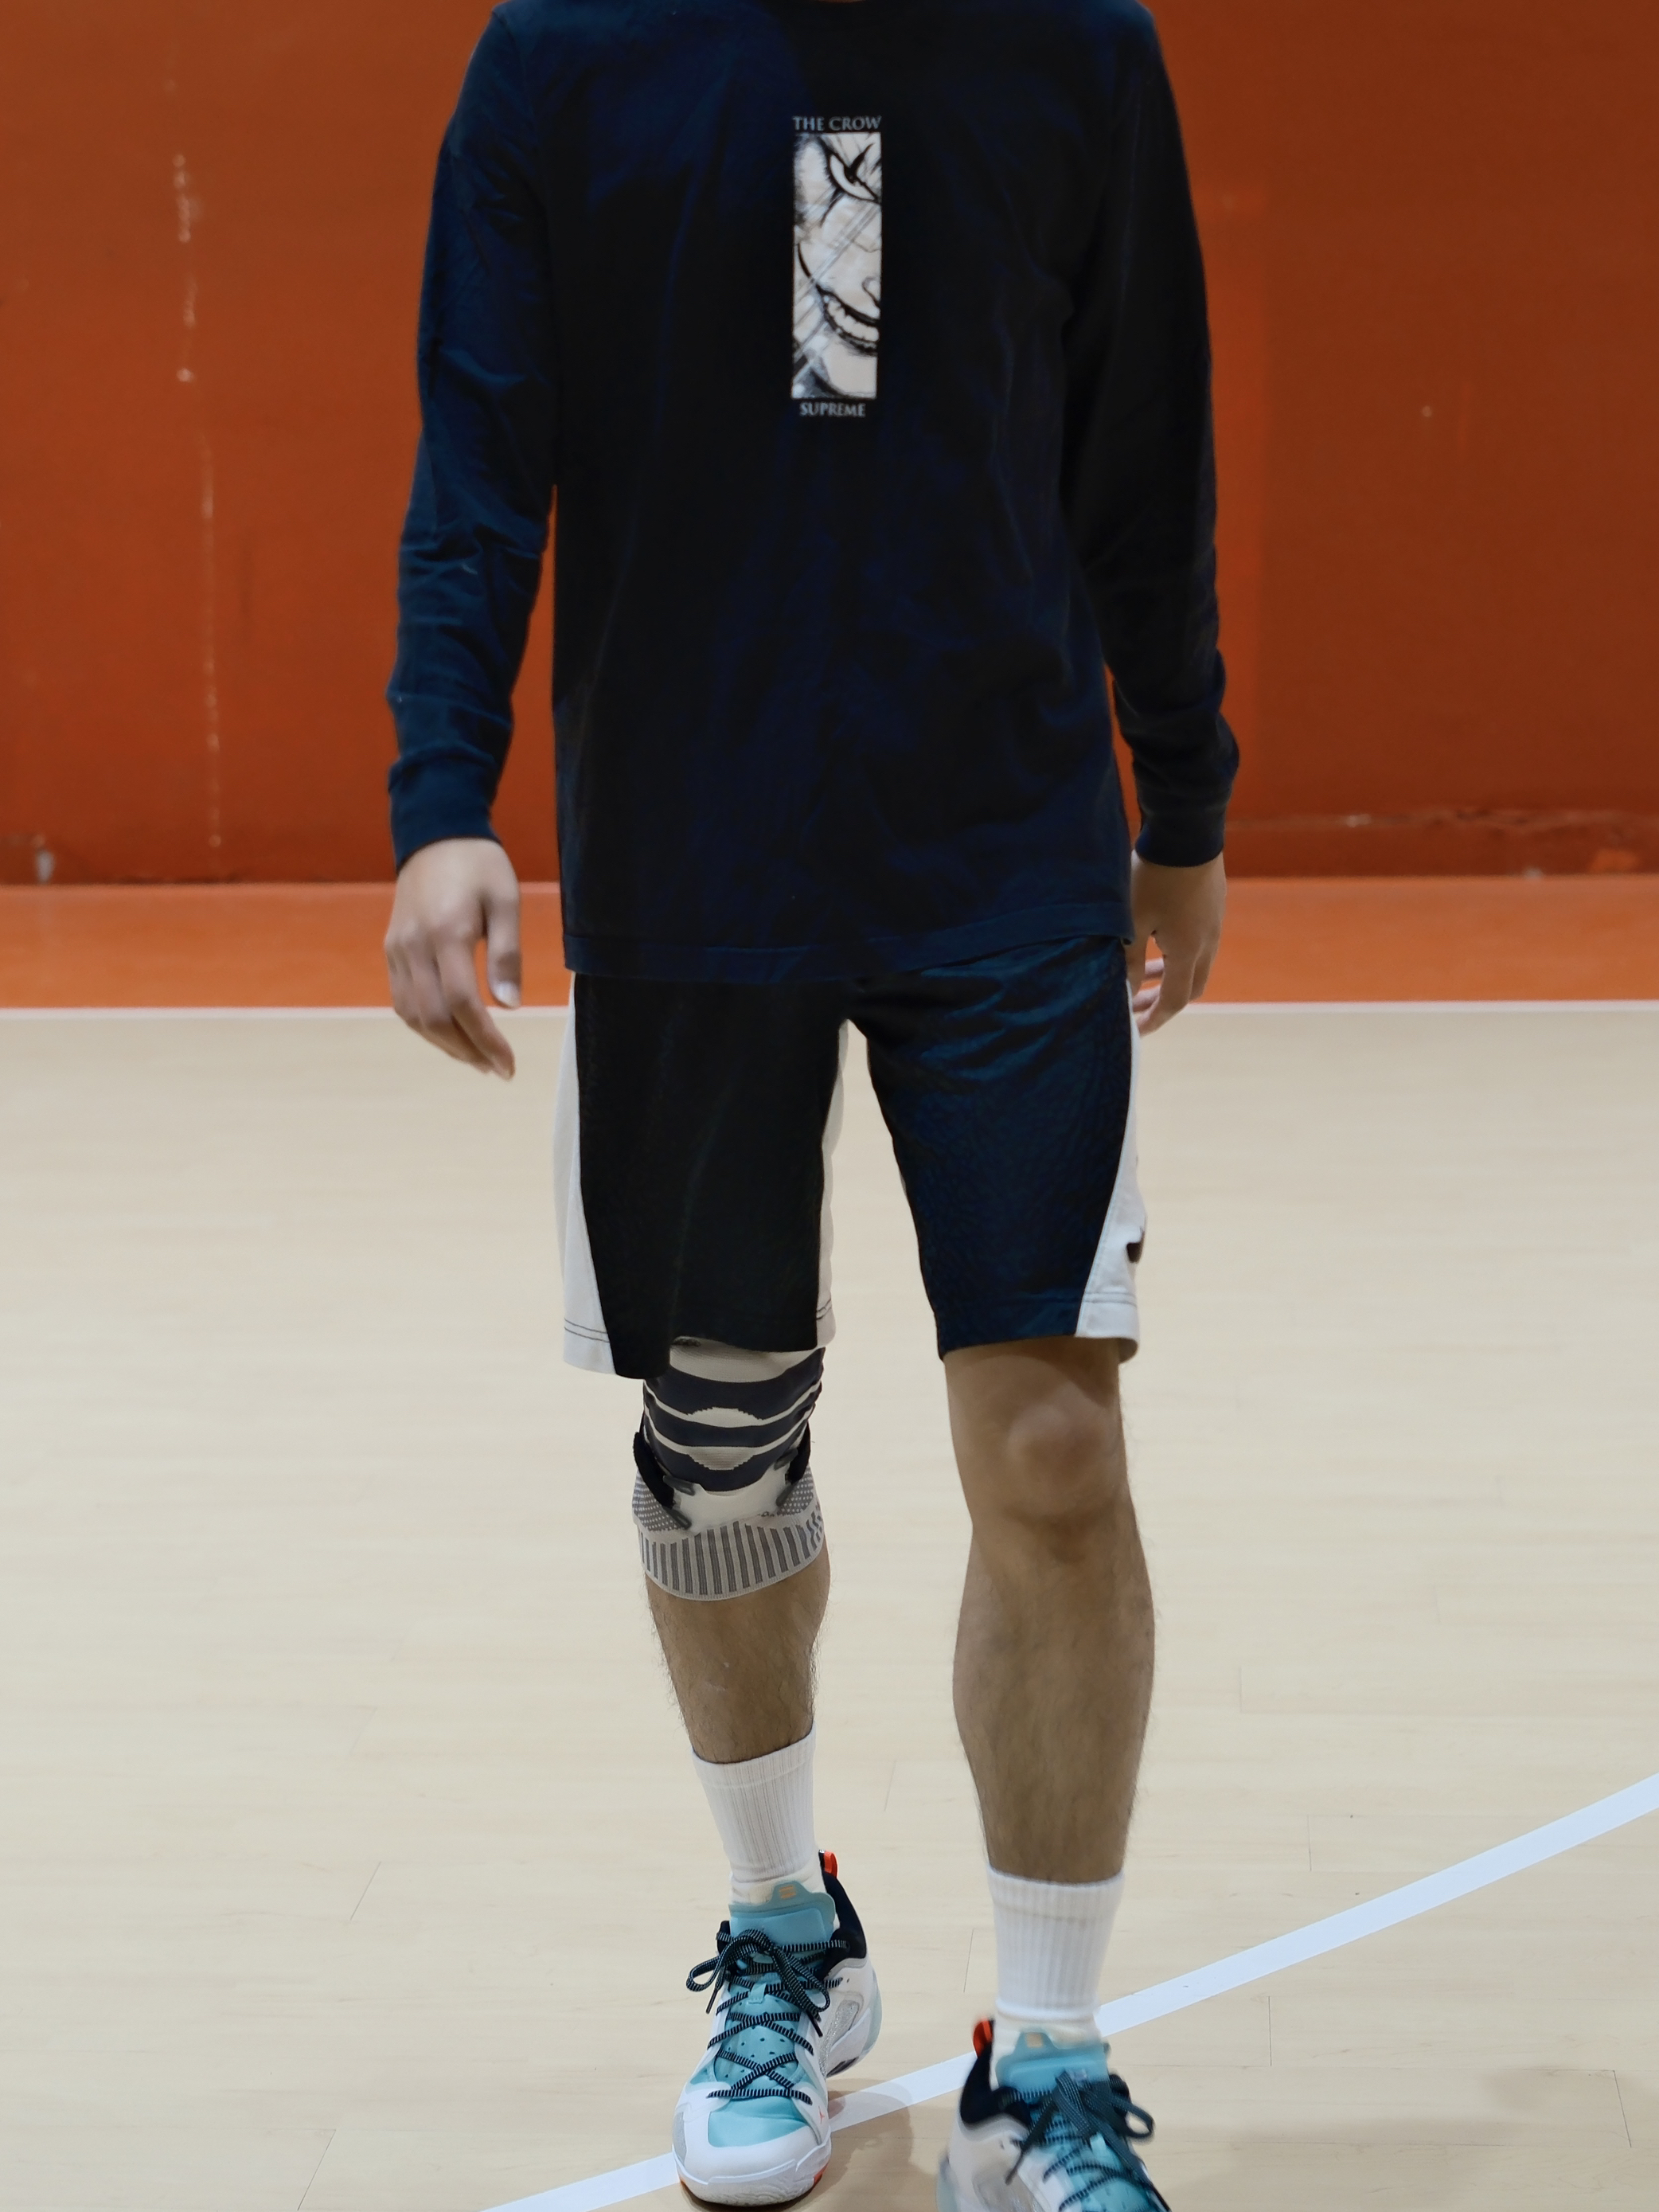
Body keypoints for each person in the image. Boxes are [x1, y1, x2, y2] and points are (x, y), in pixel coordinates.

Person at [383, 0, 1235, 2202]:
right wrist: (441, 793)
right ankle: (784, 1931)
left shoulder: (1074, 48)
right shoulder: (564, 59)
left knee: (1056, 1445)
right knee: (719, 1437)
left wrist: (1187, 793)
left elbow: (1144, 442)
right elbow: (479, 452)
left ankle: (1044, 2060)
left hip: (1001, 850)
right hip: (693, 859)